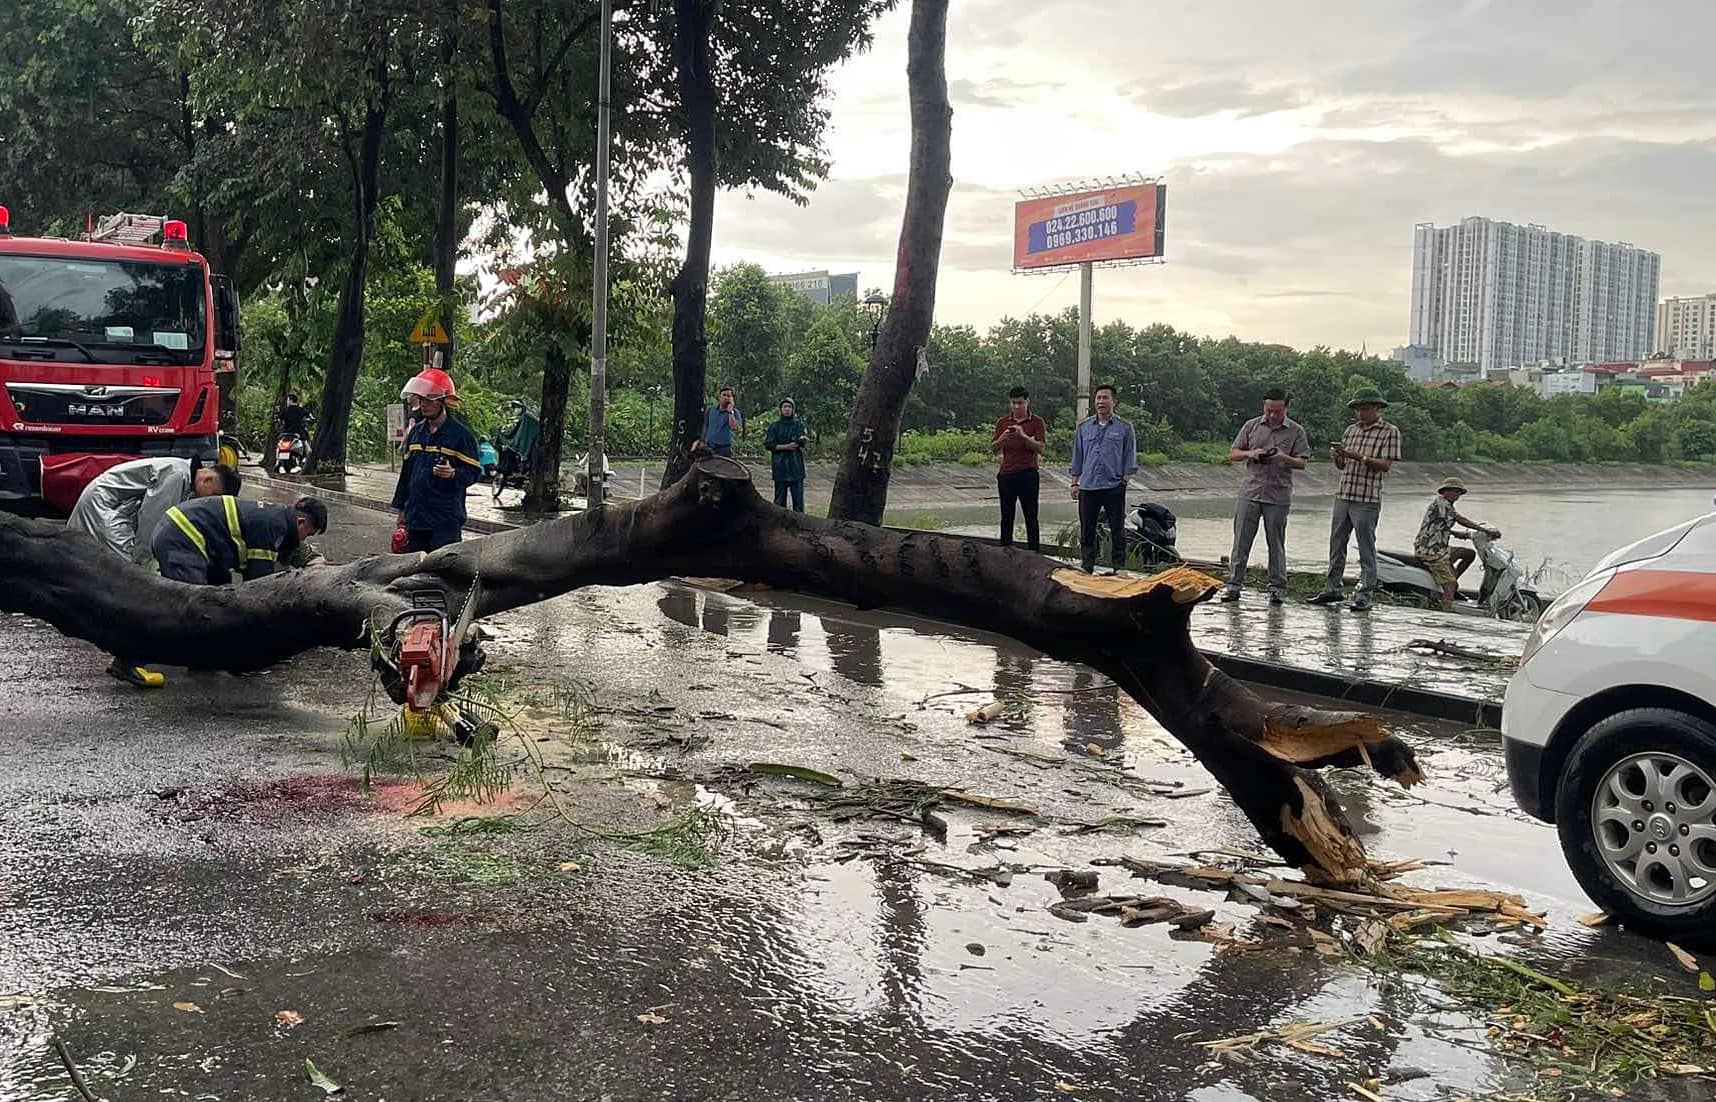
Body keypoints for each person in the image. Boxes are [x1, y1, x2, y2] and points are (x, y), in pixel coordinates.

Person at [1310, 387, 1403, 612]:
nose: (1360, 414)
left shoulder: (1389, 432)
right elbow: (1343, 467)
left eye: (1365, 409)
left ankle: (1365, 594)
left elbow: (1385, 465)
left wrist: (1358, 457)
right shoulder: (1350, 431)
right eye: (1358, 410)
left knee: (1365, 547)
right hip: (1344, 494)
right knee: (1336, 544)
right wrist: (1338, 457)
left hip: (1367, 498)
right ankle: (1333, 588)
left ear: (1377, 409)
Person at [1222, 387, 1311, 605]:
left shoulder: (1296, 431)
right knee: (1241, 541)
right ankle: (1233, 586)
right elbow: (1233, 453)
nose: (1272, 415)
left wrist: (1283, 458)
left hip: (1278, 495)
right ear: (1264, 406)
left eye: (1277, 411)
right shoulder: (1251, 425)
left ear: (1286, 408)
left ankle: (1277, 589)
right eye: (1269, 410)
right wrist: (1250, 453)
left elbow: (1302, 462)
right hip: (1250, 491)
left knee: (1276, 543)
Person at [68, 456, 241, 565]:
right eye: (214, 496)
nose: (208, 502)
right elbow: (151, 521)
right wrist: (144, 560)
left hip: (117, 505)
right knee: (128, 567)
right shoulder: (176, 475)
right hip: (104, 504)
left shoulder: (184, 475)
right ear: (208, 480)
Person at [391, 368, 482, 553]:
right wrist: (401, 509)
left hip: (444, 521)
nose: (423, 405)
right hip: (416, 519)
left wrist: (453, 474)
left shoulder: (460, 436)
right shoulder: (416, 432)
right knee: (414, 572)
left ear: (442, 402)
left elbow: (473, 473)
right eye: (421, 400)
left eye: (429, 400)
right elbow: (406, 474)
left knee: (442, 573)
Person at [150, 494, 328, 586]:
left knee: (221, 590)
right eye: (308, 534)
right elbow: (259, 583)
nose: (305, 539)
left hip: (183, 531)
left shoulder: (277, 517)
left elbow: (285, 560)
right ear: (301, 522)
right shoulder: (273, 527)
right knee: (192, 602)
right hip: (181, 536)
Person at [1069, 384, 1139, 574]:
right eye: (1098, 398)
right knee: (1087, 529)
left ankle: (1119, 567)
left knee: (1117, 528)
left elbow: (1129, 456)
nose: (1101, 402)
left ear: (1113, 401)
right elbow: (1078, 456)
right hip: (1088, 485)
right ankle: (1087, 565)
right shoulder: (1083, 427)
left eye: (1105, 398)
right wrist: (1075, 482)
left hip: (1113, 485)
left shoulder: (1124, 427)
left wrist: (1125, 480)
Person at [1415, 477, 1498, 610]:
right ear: (1445, 491)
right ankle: (1446, 610)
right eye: (1454, 491)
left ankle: (1450, 580)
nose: (1457, 495)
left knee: (1468, 554)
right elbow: (1460, 519)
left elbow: (1442, 526)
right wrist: (1484, 530)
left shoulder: (1447, 505)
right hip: (1431, 550)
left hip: (1440, 548)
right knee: (1450, 584)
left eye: (1459, 492)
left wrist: (1461, 534)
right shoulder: (1441, 504)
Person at [991, 386, 1047, 551]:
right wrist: (1002, 438)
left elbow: (1041, 448)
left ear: (1027, 402)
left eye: (1020, 403)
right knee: (1006, 516)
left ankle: (1034, 553)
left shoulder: (1037, 422)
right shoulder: (1002, 422)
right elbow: (993, 448)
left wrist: (1023, 436)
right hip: (1006, 474)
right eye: (1014, 403)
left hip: (1028, 474)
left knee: (1031, 516)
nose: (1017, 407)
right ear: (1010, 403)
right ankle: (1005, 552)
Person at [762, 398, 809, 512]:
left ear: (793, 409)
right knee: (779, 501)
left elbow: (801, 441)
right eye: (785, 407)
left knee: (798, 502)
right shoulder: (775, 427)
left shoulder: (798, 425)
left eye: (789, 407)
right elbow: (769, 444)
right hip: (780, 466)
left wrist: (803, 440)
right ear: (781, 409)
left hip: (796, 467)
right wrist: (786, 447)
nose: (787, 409)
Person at [702, 388, 742, 457]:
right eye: (724, 395)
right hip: (709, 446)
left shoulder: (735, 412)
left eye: (729, 396)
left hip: (724, 448)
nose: (726, 398)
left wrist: (730, 411)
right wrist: (702, 441)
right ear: (719, 397)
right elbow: (705, 426)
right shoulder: (710, 410)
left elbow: (735, 427)